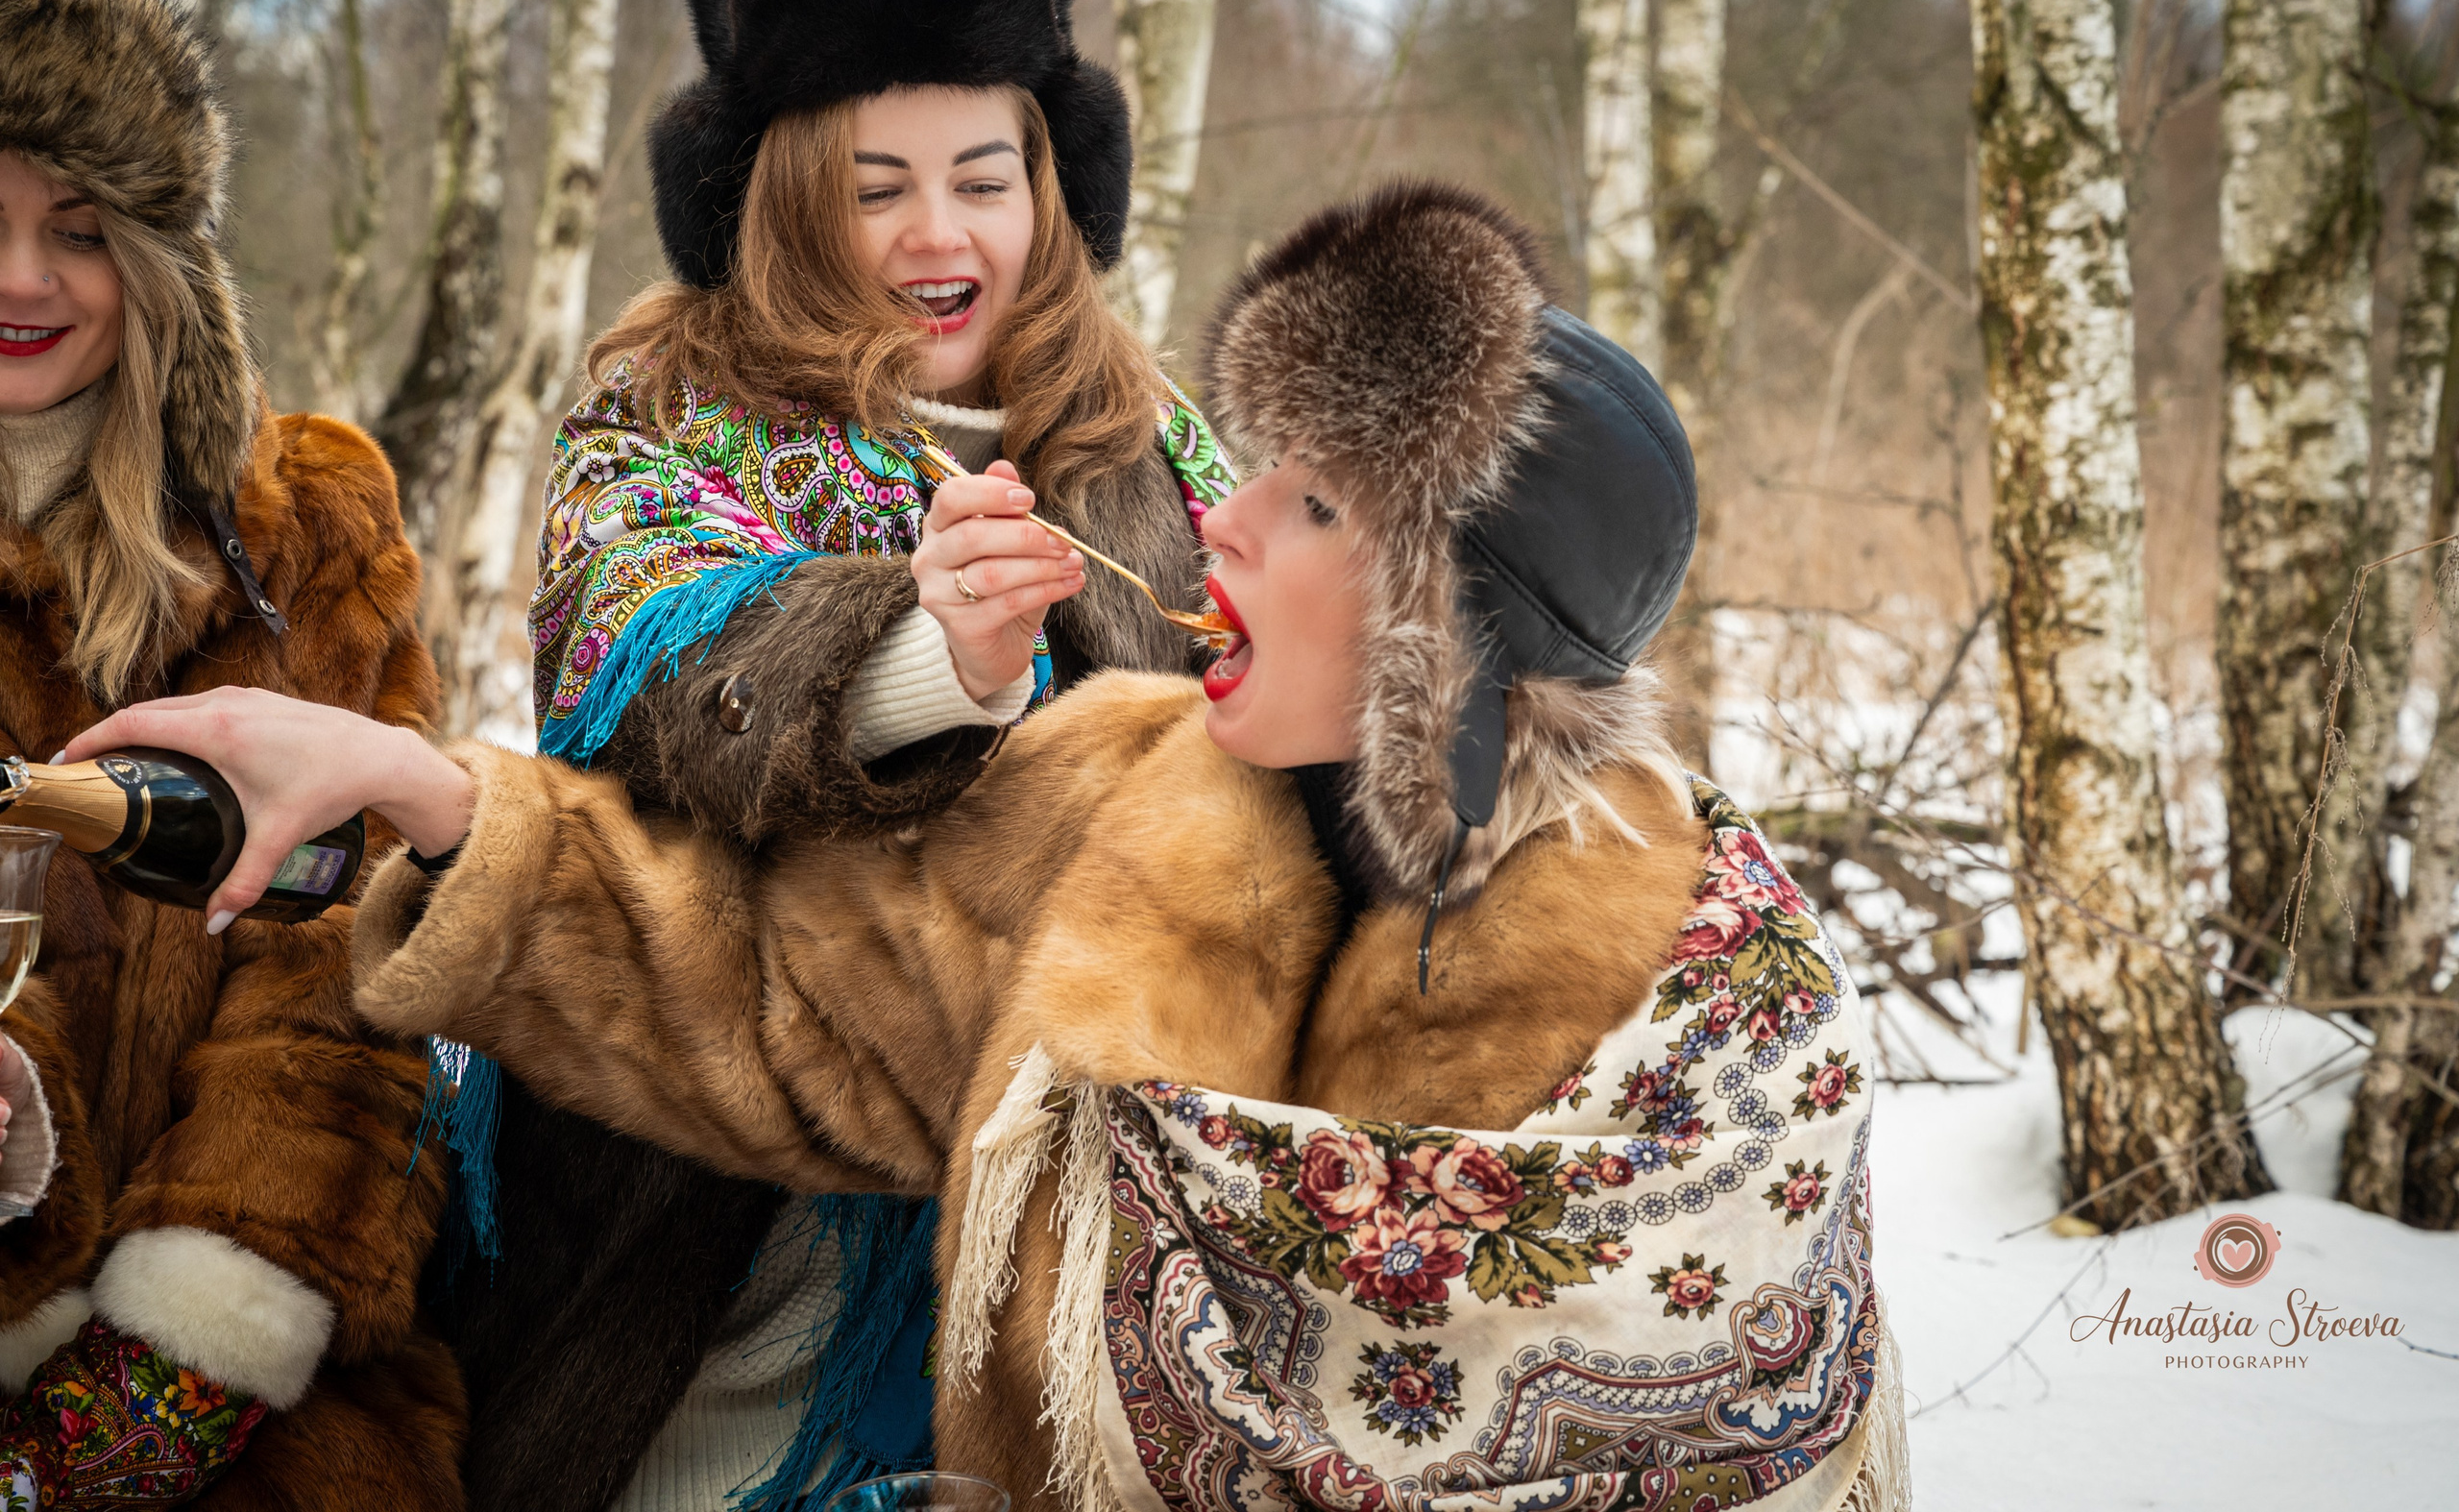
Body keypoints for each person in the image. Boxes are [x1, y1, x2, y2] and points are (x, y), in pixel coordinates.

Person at [76, 185, 1908, 1512]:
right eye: (1254, 466)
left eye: (1317, 499)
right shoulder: (1131, 784)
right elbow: (759, 987)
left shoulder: (1697, 997)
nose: (1227, 522)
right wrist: (410, 786)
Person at [400, 0, 1233, 1508]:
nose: (943, 236)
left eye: (984, 177)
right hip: (710, 1222)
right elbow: (650, 670)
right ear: (779, 196)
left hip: (1069, 1236)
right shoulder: (665, 402)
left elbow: (1268, 720)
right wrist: (933, 655)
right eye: (877, 186)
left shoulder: (1148, 436)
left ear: (1052, 184)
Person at [0, 0, 461, 1511]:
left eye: (77, 226)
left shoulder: (306, 532)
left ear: (157, 256)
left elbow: (350, 984)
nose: (21, 279)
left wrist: (134, 1413)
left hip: (237, 1402)